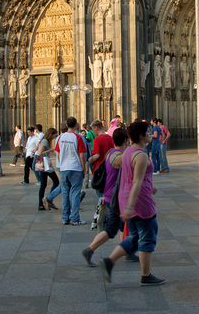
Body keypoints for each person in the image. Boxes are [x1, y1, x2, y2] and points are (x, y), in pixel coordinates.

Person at [99, 121, 165, 286]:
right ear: (142, 136)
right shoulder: (141, 155)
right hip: (139, 202)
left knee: (135, 237)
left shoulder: (128, 151)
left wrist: (150, 187)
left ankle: (110, 261)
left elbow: (132, 176)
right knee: (148, 235)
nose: (151, 134)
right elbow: (136, 182)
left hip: (127, 198)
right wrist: (130, 206)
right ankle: (146, 275)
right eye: (149, 132)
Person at [82, 127, 130, 266]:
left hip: (111, 196)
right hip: (114, 197)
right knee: (112, 229)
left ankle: (127, 252)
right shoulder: (119, 157)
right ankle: (89, 249)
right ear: (126, 140)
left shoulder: (111, 152)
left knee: (121, 226)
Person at [55, 117, 88, 225]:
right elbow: (82, 156)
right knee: (74, 194)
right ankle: (74, 218)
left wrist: (62, 164)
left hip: (64, 169)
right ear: (75, 125)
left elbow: (59, 154)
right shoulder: (77, 138)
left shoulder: (60, 138)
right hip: (75, 168)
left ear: (66, 125)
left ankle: (65, 217)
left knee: (65, 194)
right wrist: (83, 169)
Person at [36, 127, 62, 211]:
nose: (54, 137)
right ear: (50, 134)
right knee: (55, 181)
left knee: (43, 185)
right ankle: (48, 200)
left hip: (45, 166)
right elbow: (40, 153)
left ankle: (42, 204)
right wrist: (50, 150)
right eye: (54, 135)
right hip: (45, 165)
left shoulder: (45, 141)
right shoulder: (45, 141)